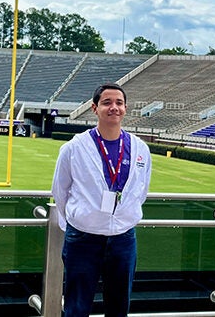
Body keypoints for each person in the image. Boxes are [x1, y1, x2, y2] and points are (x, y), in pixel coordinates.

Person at [51, 83, 152, 317]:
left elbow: (141, 191)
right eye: (107, 102)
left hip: (123, 238)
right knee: (77, 307)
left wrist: (122, 216)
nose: (113, 107)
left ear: (126, 108)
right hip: (83, 238)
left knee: (118, 308)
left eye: (119, 103)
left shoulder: (140, 148)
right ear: (95, 108)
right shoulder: (74, 147)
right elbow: (60, 190)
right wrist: (81, 221)